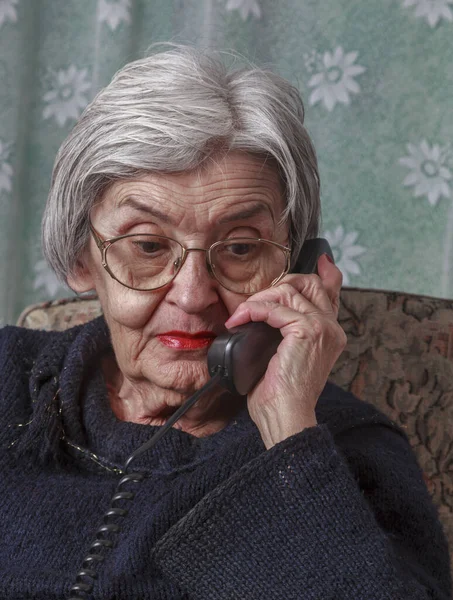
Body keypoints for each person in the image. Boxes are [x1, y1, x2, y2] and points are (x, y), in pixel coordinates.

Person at [0, 45, 450, 600]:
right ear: (79, 257)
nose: (193, 296)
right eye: (146, 244)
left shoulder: (344, 446)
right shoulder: (11, 381)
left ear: (298, 268)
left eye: (240, 248)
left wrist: (287, 435)